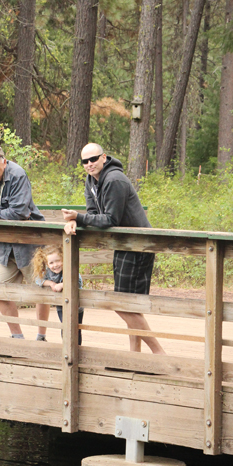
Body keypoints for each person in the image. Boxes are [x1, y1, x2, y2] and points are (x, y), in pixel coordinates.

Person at [62, 143, 166, 355]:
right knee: (129, 305)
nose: (89, 164)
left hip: (138, 245)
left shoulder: (114, 180)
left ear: (104, 157)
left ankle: (159, 354)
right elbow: (92, 212)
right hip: (124, 244)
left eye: (93, 159)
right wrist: (75, 222)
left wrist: (78, 217)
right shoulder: (92, 180)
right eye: (85, 161)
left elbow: (110, 219)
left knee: (120, 303)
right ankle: (134, 356)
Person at [0, 143, 50, 339]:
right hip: (4, 244)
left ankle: (41, 336)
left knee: (42, 290)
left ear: (4, 162)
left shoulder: (18, 175)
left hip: (30, 241)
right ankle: (18, 337)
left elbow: (20, 213)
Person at [32, 245, 84, 345]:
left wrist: (63, 284)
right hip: (61, 305)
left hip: (76, 304)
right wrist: (51, 284)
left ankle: (77, 349)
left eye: (58, 261)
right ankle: (67, 349)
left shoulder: (69, 269)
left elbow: (77, 281)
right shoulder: (48, 272)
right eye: (51, 263)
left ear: (64, 259)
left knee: (75, 327)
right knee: (64, 326)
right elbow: (38, 280)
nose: (55, 265)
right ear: (47, 264)